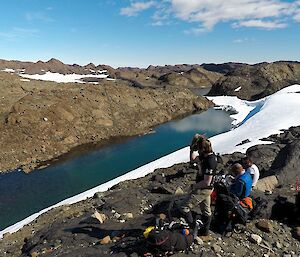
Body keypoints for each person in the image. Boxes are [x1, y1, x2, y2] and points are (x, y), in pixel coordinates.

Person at [183, 139, 218, 237]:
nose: (197, 150)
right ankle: (205, 232)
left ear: (203, 149)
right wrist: (191, 150)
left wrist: (194, 186)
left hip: (204, 188)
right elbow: (193, 160)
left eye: (198, 148)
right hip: (205, 187)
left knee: (184, 207)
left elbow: (207, 182)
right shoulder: (205, 155)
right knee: (206, 210)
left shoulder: (210, 161)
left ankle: (192, 228)